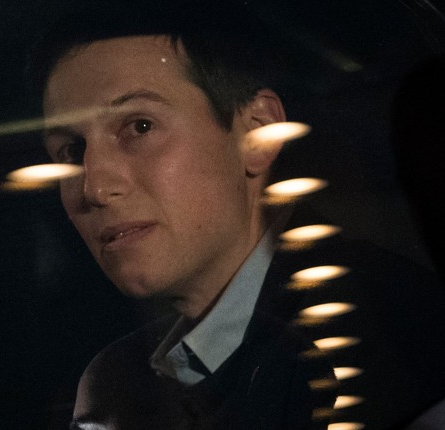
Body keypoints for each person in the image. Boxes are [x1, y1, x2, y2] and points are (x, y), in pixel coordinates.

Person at [27, 1, 445, 428]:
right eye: (71, 151)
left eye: (140, 127)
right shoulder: (120, 384)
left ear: (257, 131)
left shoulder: (393, 340)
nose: (95, 187)